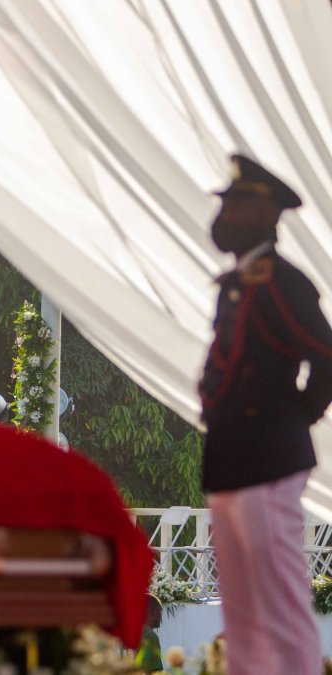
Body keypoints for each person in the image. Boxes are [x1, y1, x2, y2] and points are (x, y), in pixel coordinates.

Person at [198, 154, 332, 675]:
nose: (226, 214)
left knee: (278, 604)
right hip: (232, 456)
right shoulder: (241, 279)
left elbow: (326, 354)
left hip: (269, 456)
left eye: (238, 204)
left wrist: (296, 415)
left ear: (267, 214)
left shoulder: (284, 281)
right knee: (244, 610)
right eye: (227, 203)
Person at [134, 594, 163, 672]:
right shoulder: (150, 636)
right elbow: (154, 671)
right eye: (160, 611)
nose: (161, 617)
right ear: (152, 611)